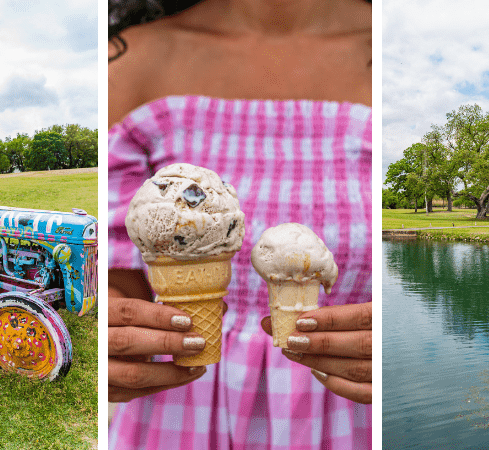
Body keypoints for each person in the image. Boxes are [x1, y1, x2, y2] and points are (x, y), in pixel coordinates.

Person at [108, 0, 372, 448]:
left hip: (351, 417)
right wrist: (115, 330)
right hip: (175, 416)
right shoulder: (126, 63)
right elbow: (124, 283)